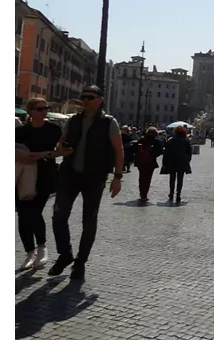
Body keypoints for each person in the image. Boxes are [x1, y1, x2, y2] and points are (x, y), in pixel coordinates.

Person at [49, 85, 123, 281]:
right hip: (69, 174)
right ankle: (65, 254)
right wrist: (60, 149)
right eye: (83, 97)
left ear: (100, 100)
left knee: (89, 221)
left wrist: (117, 177)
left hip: (94, 176)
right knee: (58, 216)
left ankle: (80, 262)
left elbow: (118, 149)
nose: (85, 100)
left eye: (90, 97)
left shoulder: (109, 122)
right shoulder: (73, 120)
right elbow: (60, 143)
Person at [16, 98, 63, 271]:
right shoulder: (20, 131)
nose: (44, 111)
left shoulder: (54, 129)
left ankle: (42, 247)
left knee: (35, 212)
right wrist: (46, 153)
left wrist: (46, 154)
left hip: (45, 176)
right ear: (30, 111)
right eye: (40, 108)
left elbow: (61, 150)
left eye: (46, 108)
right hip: (22, 176)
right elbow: (18, 155)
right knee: (22, 214)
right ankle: (30, 253)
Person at [161, 126, 193, 205]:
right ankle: (178, 194)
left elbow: (166, 152)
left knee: (172, 178)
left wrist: (164, 162)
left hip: (172, 161)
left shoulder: (171, 140)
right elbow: (190, 152)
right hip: (182, 162)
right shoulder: (186, 141)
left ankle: (171, 193)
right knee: (180, 179)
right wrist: (187, 160)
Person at [135, 126, 164, 204]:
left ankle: (141, 193)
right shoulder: (156, 140)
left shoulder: (141, 139)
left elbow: (135, 149)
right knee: (148, 179)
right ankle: (145, 195)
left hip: (140, 161)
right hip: (150, 162)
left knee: (141, 177)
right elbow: (160, 151)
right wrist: (152, 154)